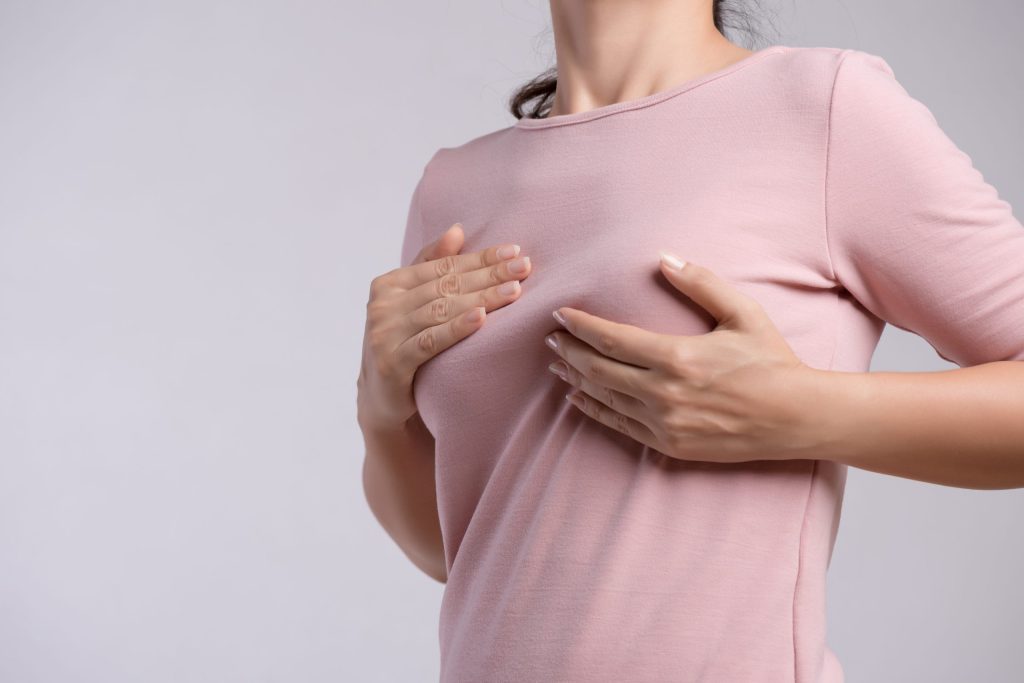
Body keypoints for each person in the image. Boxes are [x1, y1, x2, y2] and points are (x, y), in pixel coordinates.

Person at [359, 2, 1024, 681]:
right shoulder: (450, 187)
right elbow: (464, 551)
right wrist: (380, 413)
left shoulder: (820, 111)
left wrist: (800, 412)